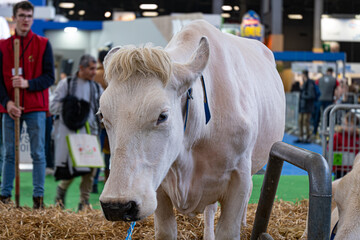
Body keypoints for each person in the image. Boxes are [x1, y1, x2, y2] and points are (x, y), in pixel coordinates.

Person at [0, 1, 55, 208]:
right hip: (10, 108)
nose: (26, 20)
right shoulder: (3, 46)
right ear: (14, 17)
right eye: (22, 15)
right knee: (8, 153)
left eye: (29, 16)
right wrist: (7, 103)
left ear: (33, 18)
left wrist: (27, 83)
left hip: (35, 108)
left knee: (38, 153)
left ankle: (38, 199)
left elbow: (49, 77)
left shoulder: (42, 43)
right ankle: (5, 196)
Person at [50, 54, 102, 210]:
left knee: (91, 168)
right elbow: (52, 106)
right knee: (74, 168)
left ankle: (84, 202)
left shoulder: (96, 87)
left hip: (92, 134)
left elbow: (101, 109)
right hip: (72, 134)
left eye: (95, 68)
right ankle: (61, 191)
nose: (94, 72)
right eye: (91, 69)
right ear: (81, 68)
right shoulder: (67, 84)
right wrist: (71, 108)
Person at [92, 48, 110, 193]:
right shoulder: (112, 75)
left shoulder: (94, 75)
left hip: (96, 120)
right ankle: (107, 181)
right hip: (110, 121)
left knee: (96, 153)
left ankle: (93, 182)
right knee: (109, 154)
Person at [332, 112, 360, 178]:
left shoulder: (358, 136)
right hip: (340, 168)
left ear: (356, 126)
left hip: (354, 168)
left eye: (349, 125)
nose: (345, 127)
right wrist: (333, 167)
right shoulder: (337, 135)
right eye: (344, 124)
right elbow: (331, 150)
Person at [313, 67, 337, 136]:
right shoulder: (334, 80)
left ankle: (315, 132)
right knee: (328, 117)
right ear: (332, 72)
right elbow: (337, 89)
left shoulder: (320, 79)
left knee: (318, 116)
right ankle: (327, 133)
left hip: (320, 99)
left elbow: (316, 87)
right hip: (329, 100)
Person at [295, 70, 317, 143]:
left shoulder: (310, 83)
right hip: (302, 106)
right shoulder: (304, 83)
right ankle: (301, 137)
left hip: (307, 106)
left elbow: (312, 95)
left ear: (304, 75)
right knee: (300, 121)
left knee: (306, 122)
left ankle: (307, 137)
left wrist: (304, 96)